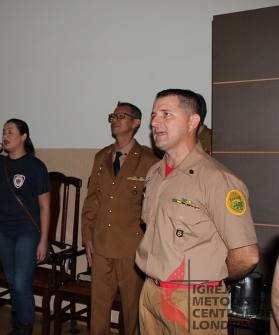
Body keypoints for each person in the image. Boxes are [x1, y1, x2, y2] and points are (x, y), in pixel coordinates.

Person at [136, 89, 259, 334]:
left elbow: (247, 256)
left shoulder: (218, 180)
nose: (155, 122)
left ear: (193, 121)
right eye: (154, 115)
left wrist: (212, 281)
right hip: (150, 292)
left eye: (166, 114)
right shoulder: (154, 174)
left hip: (196, 298)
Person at [81, 102, 159, 335]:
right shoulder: (102, 156)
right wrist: (87, 237)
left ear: (135, 123)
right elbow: (91, 200)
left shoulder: (149, 160)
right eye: (113, 116)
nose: (115, 120)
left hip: (131, 249)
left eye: (121, 116)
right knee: (99, 310)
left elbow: (154, 209)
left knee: (133, 311)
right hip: (101, 245)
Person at [0, 118, 51, 335]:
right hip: (4, 232)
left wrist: (44, 241)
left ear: (23, 136)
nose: (5, 136)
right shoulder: (0, 164)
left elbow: (45, 207)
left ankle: (24, 328)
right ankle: (19, 322)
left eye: (10, 132)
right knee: (12, 281)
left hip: (27, 232)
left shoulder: (36, 166)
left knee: (21, 283)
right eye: (3, 132)